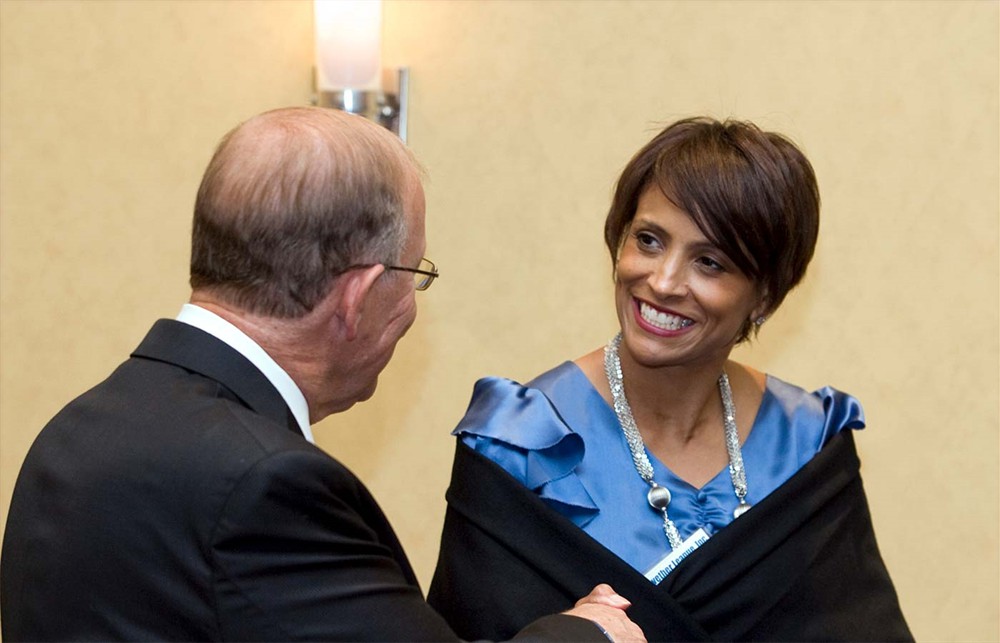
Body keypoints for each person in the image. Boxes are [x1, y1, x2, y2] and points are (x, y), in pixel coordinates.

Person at [0, 107, 645, 642]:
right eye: (415, 275)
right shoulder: (266, 482)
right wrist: (590, 634)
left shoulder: (79, 425)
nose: (413, 308)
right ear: (358, 297)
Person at [428, 117, 912, 641]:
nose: (661, 281)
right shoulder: (521, 442)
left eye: (709, 262)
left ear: (765, 298)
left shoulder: (808, 443)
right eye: (649, 240)